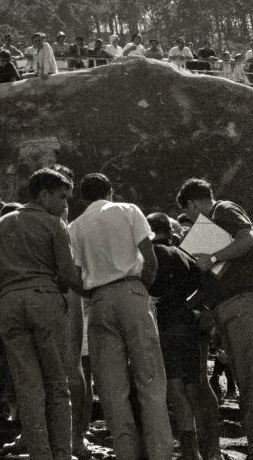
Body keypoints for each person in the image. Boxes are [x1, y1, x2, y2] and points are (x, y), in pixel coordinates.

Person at [0, 169, 81, 460]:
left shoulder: (2, 223)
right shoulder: (55, 224)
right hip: (45, 302)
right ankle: (62, 453)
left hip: (10, 305)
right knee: (57, 385)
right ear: (44, 194)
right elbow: (68, 275)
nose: (65, 203)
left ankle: (40, 453)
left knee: (28, 386)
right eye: (61, 197)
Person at [177, 178, 253, 460]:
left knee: (252, 376)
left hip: (244, 299)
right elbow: (215, 278)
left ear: (193, 204)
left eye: (187, 213)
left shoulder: (223, 209)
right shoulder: (211, 225)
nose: (190, 220)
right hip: (231, 303)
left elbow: (248, 239)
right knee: (246, 377)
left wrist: (212, 257)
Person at [69, 173, 171, 460]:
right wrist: (140, 288)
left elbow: (73, 276)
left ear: (84, 197)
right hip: (132, 290)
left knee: (112, 386)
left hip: (99, 299)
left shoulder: (75, 226)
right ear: (110, 191)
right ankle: (159, 453)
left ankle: (126, 453)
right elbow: (150, 259)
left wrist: (92, 293)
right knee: (150, 377)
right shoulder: (128, 210)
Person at [146, 212, 221, 460]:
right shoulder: (182, 254)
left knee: (175, 388)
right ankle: (207, 447)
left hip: (166, 326)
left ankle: (191, 450)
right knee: (193, 386)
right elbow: (207, 282)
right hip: (189, 325)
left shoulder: (149, 254)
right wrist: (190, 305)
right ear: (170, 232)